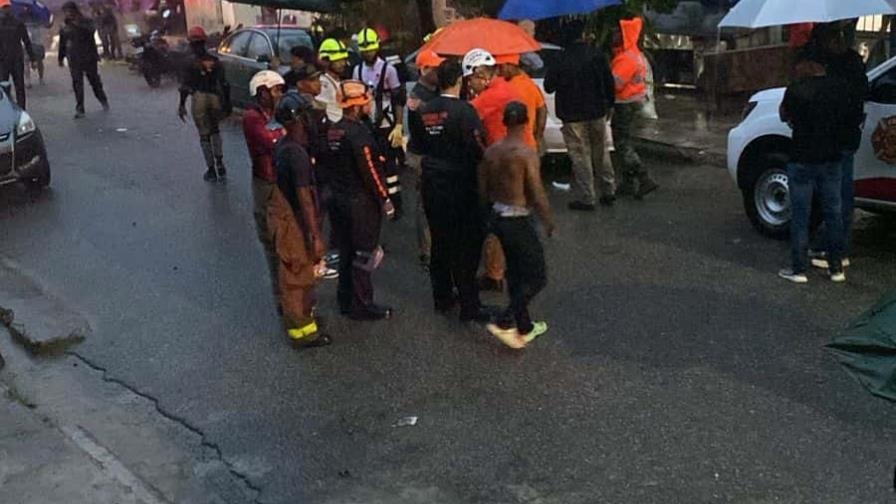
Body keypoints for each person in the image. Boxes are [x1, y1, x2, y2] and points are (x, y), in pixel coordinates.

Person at [409, 59, 491, 323]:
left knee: (440, 242)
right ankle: (469, 303)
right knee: (466, 246)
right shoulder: (465, 111)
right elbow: (479, 146)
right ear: (459, 81)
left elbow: (418, 146)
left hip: (433, 182)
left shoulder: (425, 110)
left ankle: (442, 296)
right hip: (461, 183)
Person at [480, 102, 555, 349]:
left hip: (497, 215)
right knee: (536, 276)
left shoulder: (491, 152)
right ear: (525, 123)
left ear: (504, 122)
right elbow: (536, 191)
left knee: (514, 271)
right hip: (518, 217)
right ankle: (507, 318)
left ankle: (524, 327)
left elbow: (483, 189)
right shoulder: (525, 153)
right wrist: (548, 220)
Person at [778, 49, 850, 284]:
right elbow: (847, 119)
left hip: (802, 158)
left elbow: (784, 115)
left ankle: (798, 269)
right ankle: (836, 267)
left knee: (801, 215)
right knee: (834, 213)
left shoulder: (796, 89)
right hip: (832, 159)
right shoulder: (840, 88)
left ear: (808, 64)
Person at [327, 80, 397, 320]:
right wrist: (385, 198)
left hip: (338, 199)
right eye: (366, 102)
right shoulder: (359, 135)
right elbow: (370, 170)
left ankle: (345, 299)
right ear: (357, 106)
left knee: (346, 251)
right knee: (363, 254)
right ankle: (362, 303)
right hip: (360, 203)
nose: (370, 106)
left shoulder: (333, 130)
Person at [269, 91, 332, 349]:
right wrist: (315, 236)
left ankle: (306, 321)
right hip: (292, 221)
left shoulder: (287, 147)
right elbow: (304, 198)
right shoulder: (296, 153)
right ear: (299, 119)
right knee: (296, 276)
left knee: (302, 272)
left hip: (289, 217)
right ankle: (302, 333)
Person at [809, 24, 869, 272]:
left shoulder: (839, 67)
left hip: (838, 138)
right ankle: (833, 245)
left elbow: (836, 101)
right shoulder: (854, 63)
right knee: (839, 193)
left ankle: (838, 249)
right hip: (848, 136)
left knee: (838, 195)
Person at [464, 48, 522, 293]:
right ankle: (504, 268)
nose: (470, 86)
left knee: (495, 220)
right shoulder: (505, 88)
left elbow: (464, 116)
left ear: (480, 75)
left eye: (470, 81)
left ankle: (494, 274)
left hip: (503, 163)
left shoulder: (492, 95)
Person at [545, 19, 617, 210]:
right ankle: (608, 190)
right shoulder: (596, 55)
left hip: (571, 114)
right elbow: (609, 82)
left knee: (580, 155)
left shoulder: (561, 58)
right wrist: (610, 104)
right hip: (597, 111)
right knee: (601, 151)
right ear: (583, 35)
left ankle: (588, 197)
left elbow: (548, 86)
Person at [243, 70, 287, 298]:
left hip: (282, 180)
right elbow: (273, 142)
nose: (280, 94)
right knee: (272, 243)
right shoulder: (253, 117)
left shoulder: (276, 113)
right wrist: (285, 133)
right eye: (275, 90)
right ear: (262, 93)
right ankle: (281, 296)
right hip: (266, 183)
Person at [353, 28, 405, 217]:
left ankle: (396, 205)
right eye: (364, 50)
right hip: (367, 124)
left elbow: (399, 98)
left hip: (386, 125)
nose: (368, 53)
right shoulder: (357, 70)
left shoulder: (388, 70)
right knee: (373, 166)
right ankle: (378, 202)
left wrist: (399, 126)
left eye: (370, 49)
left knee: (390, 167)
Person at [611, 17, 658, 199]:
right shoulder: (634, 54)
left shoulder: (625, 59)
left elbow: (615, 83)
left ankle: (643, 177)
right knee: (625, 141)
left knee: (622, 144)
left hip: (625, 103)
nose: (614, 38)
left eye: (617, 35)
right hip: (632, 101)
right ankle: (628, 183)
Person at [406, 49, 444, 269]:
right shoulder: (417, 97)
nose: (438, 72)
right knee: (425, 204)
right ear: (424, 69)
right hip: (422, 155)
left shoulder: (434, 90)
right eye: (435, 68)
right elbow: (424, 126)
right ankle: (427, 252)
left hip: (432, 154)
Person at [178, 26, 231, 182]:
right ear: (204, 42)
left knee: (204, 135)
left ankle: (211, 169)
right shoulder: (215, 61)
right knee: (215, 130)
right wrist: (227, 103)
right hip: (215, 97)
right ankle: (220, 164)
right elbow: (225, 84)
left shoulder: (188, 63)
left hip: (199, 98)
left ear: (191, 44)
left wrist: (181, 105)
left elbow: (184, 87)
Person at [59, 1, 109, 119]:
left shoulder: (86, 22)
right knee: (77, 83)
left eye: (69, 11)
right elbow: (63, 43)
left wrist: (77, 24)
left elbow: (91, 32)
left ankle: (103, 100)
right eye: (66, 12)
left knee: (94, 81)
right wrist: (61, 58)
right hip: (74, 58)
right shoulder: (65, 25)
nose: (67, 14)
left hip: (89, 56)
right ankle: (80, 108)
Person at [497, 53, 545, 151]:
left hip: (513, 144)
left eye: (501, 67)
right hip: (529, 143)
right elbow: (542, 109)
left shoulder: (510, 86)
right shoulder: (529, 83)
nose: (499, 71)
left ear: (510, 65)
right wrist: (538, 137)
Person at [0, 0, 35, 109]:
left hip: (16, 59)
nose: (6, 9)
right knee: (3, 86)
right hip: (2, 60)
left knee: (19, 86)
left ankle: (21, 109)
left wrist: (33, 58)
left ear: (10, 8)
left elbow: (26, 41)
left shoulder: (18, 23)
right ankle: (5, 109)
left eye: (7, 7)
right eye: (3, 7)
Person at [317, 38, 348, 124]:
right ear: (325, 61)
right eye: (338, 60)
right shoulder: (323, 83)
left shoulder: (338, 80)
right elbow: (320, 112)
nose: (343, 64)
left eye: (344, 59)